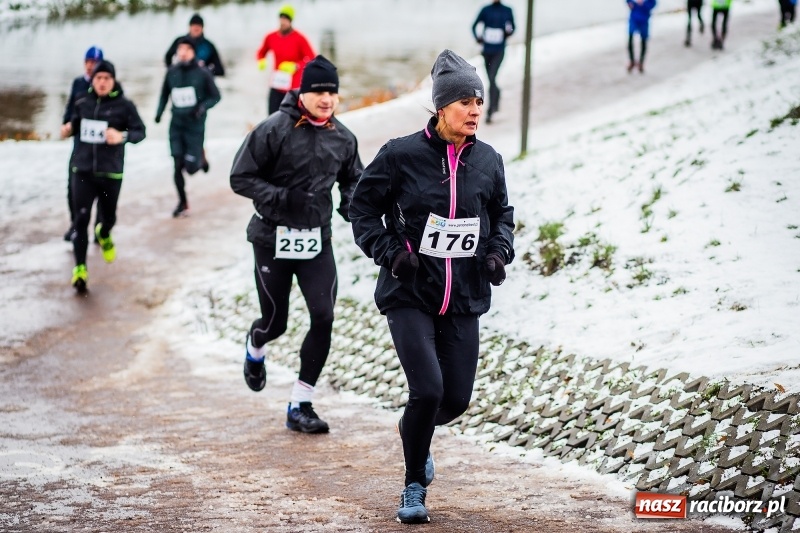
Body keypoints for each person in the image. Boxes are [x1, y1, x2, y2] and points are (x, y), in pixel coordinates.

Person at [348, 49, 515, 524]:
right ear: (441, 107)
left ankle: (412, 432)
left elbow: (502, 215)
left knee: (455, 399)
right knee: (427, 390)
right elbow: (363, 210)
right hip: (410, 292)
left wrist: (497, 252)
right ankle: (413, 487)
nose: (475, 110)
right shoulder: (400, 155)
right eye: (465, 101)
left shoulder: (488, 160)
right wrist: (392, 253)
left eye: (478, 101)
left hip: (462, 295)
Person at [230, 55, 362, 434]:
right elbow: (240, 177)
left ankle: (300, 402)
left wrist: (350, 205)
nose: (326, 99)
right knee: (275, 322)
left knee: (324, 317)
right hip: (272, 238)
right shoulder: (273, 129)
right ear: (302, 93)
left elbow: (355, 180)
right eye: (318, 91)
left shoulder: (343, 137)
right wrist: (283, 198)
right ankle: (256, 345)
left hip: (315, 241)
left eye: (332, 92)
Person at [67, 60, 146, 292]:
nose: (102, 82)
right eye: (98, 78)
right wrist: (66, 129)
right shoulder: (82, 101)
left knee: (108, 217)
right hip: (82, 171)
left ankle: (104, 232)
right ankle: (80, 268)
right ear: (92, 80)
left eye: (106, 79)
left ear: (113, 81)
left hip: (111, 173)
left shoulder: (124, 105)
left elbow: (140, 132)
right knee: (80, 220)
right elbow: (73, 125)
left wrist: (121, 136)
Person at [155, 37, 221, 218]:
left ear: (193, 52)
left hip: (195, 125)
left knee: (191, 168)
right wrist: (159, 113)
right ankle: (182, 202)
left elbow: (216, 96)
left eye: (187, 49)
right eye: (180, 49)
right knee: (177, 165)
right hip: (176, 124)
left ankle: (200, 155)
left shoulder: (202, 72)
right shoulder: (171, 72)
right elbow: (164, 94)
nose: (183, 52)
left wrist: (202, 107)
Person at [61, 46, 105, 242]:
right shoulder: (78, 83)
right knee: (73, 187)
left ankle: (99, 226)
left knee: (101, 188)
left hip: (102, 149)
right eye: (87, 62)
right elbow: (71, 108)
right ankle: (76, 225)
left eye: (94, 63)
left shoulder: (107, 85)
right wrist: (66, 125)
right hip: (80, 145)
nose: (90, 66)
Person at [255, 4, 316, 115]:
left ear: (291, 21)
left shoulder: (299, 38)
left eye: (286, 19)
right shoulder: (271, 36)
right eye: (281, 18)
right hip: (276, 83)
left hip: (293, 86)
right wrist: (261, 60)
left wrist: (296, 66)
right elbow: (261, 52)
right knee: (272, 116)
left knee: (291, 117)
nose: (283, 22)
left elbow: (312, 59)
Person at [471, 0, 515, 124]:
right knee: (491, 80)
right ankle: (496, 97)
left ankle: (490, 112)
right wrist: (478, 38)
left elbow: (512, 27)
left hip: (499, 51)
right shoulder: (485, 10)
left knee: (491, 78)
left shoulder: (507, 10)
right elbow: (474, 26)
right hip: (487, 51)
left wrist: (507, 32)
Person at [627, 0, 657, 73]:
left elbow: (653, 3)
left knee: (643, 40)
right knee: (630, 39)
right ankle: (632, 61)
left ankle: (641, 62)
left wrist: (643, 4)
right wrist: (630, 3)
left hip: (644, 17)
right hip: (634, 16)